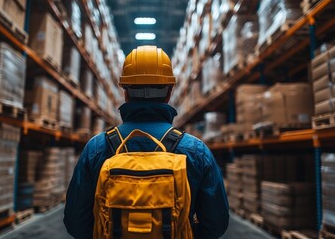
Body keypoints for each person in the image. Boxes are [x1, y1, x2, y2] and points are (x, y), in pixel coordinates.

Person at [64, 45, 229, 238]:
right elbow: (216, 223)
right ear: (169, 93)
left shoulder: (97, 148)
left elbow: (75, 222)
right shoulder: (195, 151)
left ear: (125, 92)